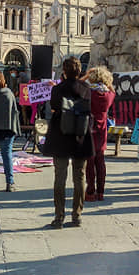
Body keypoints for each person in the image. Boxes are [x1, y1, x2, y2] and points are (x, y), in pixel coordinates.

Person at [46, 57, 93, 228]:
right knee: (80, 176)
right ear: (80, 71)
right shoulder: (87, 88)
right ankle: (77, 215)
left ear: (64, 72)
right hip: (81, 134)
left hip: (61, 134)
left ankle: (59, 217)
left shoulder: (57, 89)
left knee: (60, 176)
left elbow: (53, 108)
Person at [84, 66, 115, 201]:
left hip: (89, 128)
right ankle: (101, 191)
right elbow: (113, 89)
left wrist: (86, 75)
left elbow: (77, 85)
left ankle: (90, 191)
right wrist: (108, 82)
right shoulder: (109, 95)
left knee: (90, 162)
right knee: (100, 161)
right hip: (102, 130)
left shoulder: (88, 93)